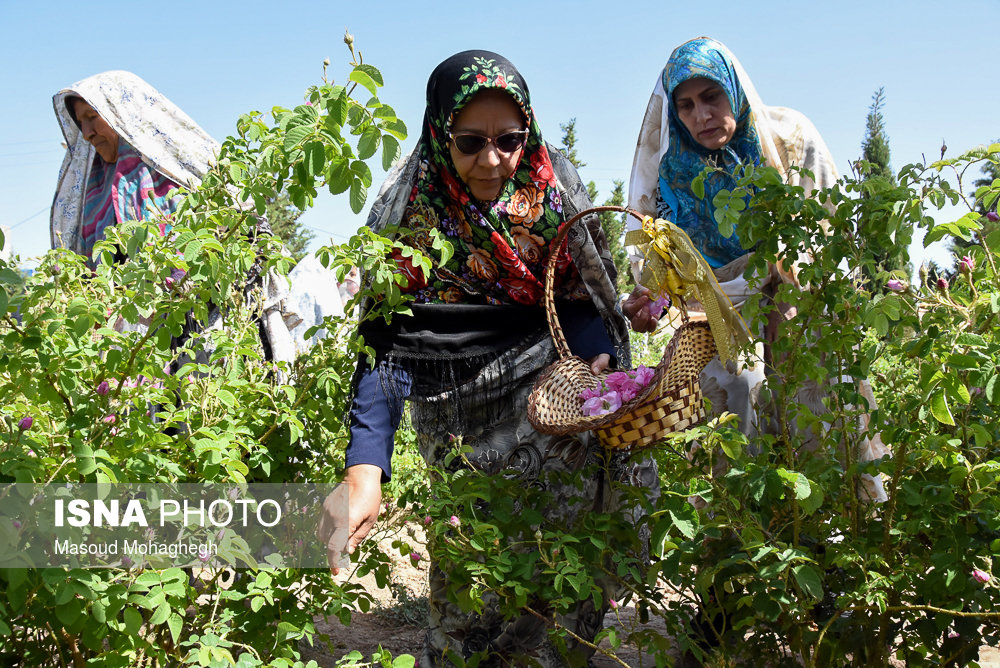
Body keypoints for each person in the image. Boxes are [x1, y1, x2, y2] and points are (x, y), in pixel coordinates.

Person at [326, 50, 656, 666]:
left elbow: (583, 300)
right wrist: (365, 466)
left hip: (555, 409)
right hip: (455, 417)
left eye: (509, 139)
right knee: (472, 576)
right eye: (470, 141)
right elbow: (386, 343)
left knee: (562, 566)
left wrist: (598, 368)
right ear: (437, 133)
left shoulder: (553, 194)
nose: (492, 159)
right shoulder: (413, 213)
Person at [50, 70, 296, 367]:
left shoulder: (180, 175)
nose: (87, 132)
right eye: (81, 122)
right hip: (132, 345)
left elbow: (240, 231)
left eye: (93, 116)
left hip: (198, 327)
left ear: (120, 114)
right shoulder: (93, 196)